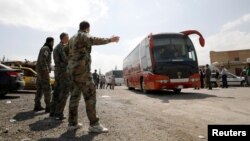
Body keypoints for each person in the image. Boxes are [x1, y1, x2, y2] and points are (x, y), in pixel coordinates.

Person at [67, 21, 120, 132]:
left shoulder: (71, 38)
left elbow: (66, 51)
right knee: (90, 96)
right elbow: (93, 40)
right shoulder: (83, 34)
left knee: (74, 97)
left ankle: (72, 123)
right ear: (88, 28)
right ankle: (94, 124)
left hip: (72, 71)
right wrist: (110, 40)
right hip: (82, 71)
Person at [50, 33, 70, 120]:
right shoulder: (61, 47)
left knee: (57, 92)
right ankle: (59, 113)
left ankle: (53, 111)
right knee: (64, 92)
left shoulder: (56, 47)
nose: (68, 39)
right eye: (67, 37)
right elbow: (66, 59)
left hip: (58, 72)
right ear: (63, 38)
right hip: (63, 72)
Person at [34, 37, 54, 112]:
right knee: (47, 88)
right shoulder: (46, 49)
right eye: (53, 42)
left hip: (40, 71)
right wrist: (45, 70)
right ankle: (48, 107)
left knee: (39, 88)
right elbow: (43, 60)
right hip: (43, 72)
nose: (53, 44)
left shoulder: (44, 48)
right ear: (51, 42)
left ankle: (37, 105)